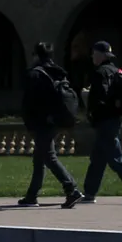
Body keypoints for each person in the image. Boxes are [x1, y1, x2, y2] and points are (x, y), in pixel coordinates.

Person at [64, 40, 122, 208]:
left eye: (94, 53)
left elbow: (100, 95)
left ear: (101, 55)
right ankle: (89, 193)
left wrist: (93, 110)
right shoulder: (117, 71)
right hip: (114, 119)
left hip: (106, 120)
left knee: (115, 157)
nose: (92, 56)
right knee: (98, 158)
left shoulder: (101, 73)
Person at [18, 42, 80, 206]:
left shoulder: (35, 75)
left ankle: (71, 189)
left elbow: (29, 103)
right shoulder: (58, 73)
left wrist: (30, 124)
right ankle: (32, 195)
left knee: (49, 157)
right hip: (56, 119)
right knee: (40, 157)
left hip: (41, 122)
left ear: (37, 56)